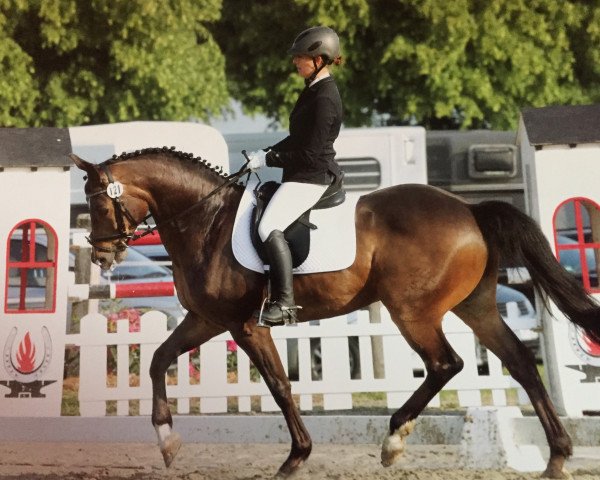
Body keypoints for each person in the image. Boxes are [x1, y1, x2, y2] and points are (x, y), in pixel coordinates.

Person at [246, 26, 344, 326]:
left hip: (311, 176)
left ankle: (284, 303)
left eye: (301, 57)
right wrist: (265, 153)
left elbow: (310, 153)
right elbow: (298, 138)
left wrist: (271, 158)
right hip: (302, 172)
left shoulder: (324, 98)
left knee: (268, 226)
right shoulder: (313, 89)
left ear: (319, 59)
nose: (295, 62)